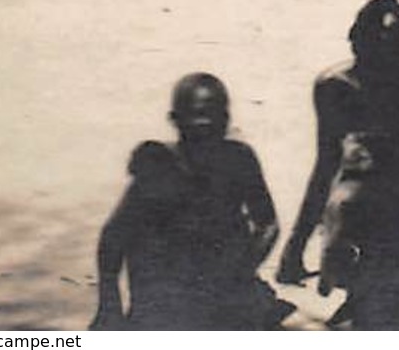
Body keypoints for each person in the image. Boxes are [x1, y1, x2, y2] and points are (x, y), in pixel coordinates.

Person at [277, 0, 399, 328]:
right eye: (392, 48)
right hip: (352, 209)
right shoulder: (336, 88)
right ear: (363, 47)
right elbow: (326, 165)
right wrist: (296, 243)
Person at [92, 73, 290, 330]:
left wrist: (241, 270)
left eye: (215, 116)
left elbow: (268, 223)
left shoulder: (239, 159)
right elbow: (114, 236)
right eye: (196, 116)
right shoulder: (158, 167)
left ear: (227, 120)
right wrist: (109, 304)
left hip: (224, 285)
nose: (205, 124)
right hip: (168, 292)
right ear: (175, 120)